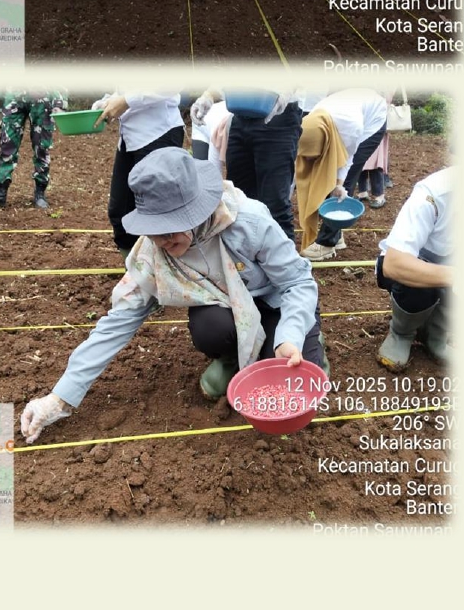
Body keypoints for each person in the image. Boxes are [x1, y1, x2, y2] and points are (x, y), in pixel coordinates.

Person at [20, 148, 326, 440]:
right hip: (226, 313)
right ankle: (232, 358)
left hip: (276, 304)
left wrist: (290, 336)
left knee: (294, 381)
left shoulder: (249, 222)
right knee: (209, 327)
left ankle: (301, 342)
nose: (162, 241)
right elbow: (119, 321)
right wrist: (59, 398)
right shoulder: (152, 254)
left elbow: (297, 283)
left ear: (196, 210)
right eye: (154, 230)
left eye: (170, 229)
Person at [295, 90, 390, 260]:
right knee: (325, 173)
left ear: (326, 140)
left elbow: (348, 161)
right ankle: (336, 233)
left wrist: (339, 184)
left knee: (347, 179)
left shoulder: (350, 127)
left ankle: (327, 242)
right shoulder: (312, 120)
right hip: (349, 111)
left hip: (372, 123)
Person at [376, 167, 451, 368]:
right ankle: (401, 334)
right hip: (412, 264)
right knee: (418, 282)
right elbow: (395, 264)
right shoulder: (434, 194)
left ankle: (436, 335)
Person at [211, 91, 303, 242]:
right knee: (239, 198)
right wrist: (209, 95)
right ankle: (244, 258)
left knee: (274, 202)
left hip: (278, 117)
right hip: (240, 115)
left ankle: (285, 263)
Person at [101, 94, 186, 253]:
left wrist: (127, 100)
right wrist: (108, 102)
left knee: (160, 214)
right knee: (121, 214)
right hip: (129, 137)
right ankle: (135, 272)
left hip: (159, 133)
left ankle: (167, 273)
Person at [0, 92, 68, 211]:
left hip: (43, 95)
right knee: (7, 143)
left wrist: (59, 102)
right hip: (14, 92)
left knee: (41, 146)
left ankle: (40, 193)